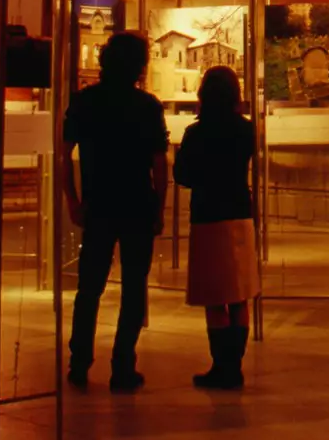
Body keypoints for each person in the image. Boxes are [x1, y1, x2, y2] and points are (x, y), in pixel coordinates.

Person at [61, 32, 169, 390]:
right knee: (134, 287)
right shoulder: (148, 106)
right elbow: (158, 163)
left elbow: (63, 154)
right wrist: (160, 206)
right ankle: (123, 364)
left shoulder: (84, 102)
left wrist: (73, 200)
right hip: (137, 203)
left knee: (90, 287)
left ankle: (79, 361)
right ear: (139, 65)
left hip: (98, 204)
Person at [173, 65, 259, 389]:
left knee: (214, 295)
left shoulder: (196, 133)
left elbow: (182, 175)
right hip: (239, 210)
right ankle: (234, 366)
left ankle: (221, 366)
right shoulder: (246, 130)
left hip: (208, 214)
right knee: (239, 295)